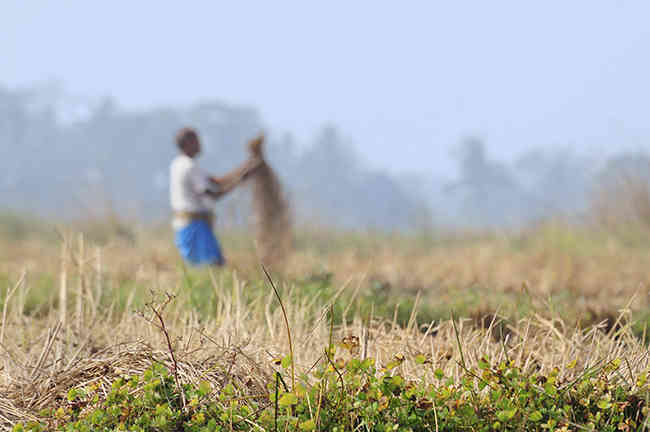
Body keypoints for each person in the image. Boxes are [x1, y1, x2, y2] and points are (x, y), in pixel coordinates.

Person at [170, 127, 263, 266]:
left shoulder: (179, 163)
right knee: (210, 264)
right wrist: (242, 178)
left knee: (208, 265)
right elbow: (214, 194)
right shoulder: (189, 167)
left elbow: (217, 181)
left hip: (189, 225)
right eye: (196, 140)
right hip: (194, 226)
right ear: (188, 143)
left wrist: (246, 166)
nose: (200, 144)